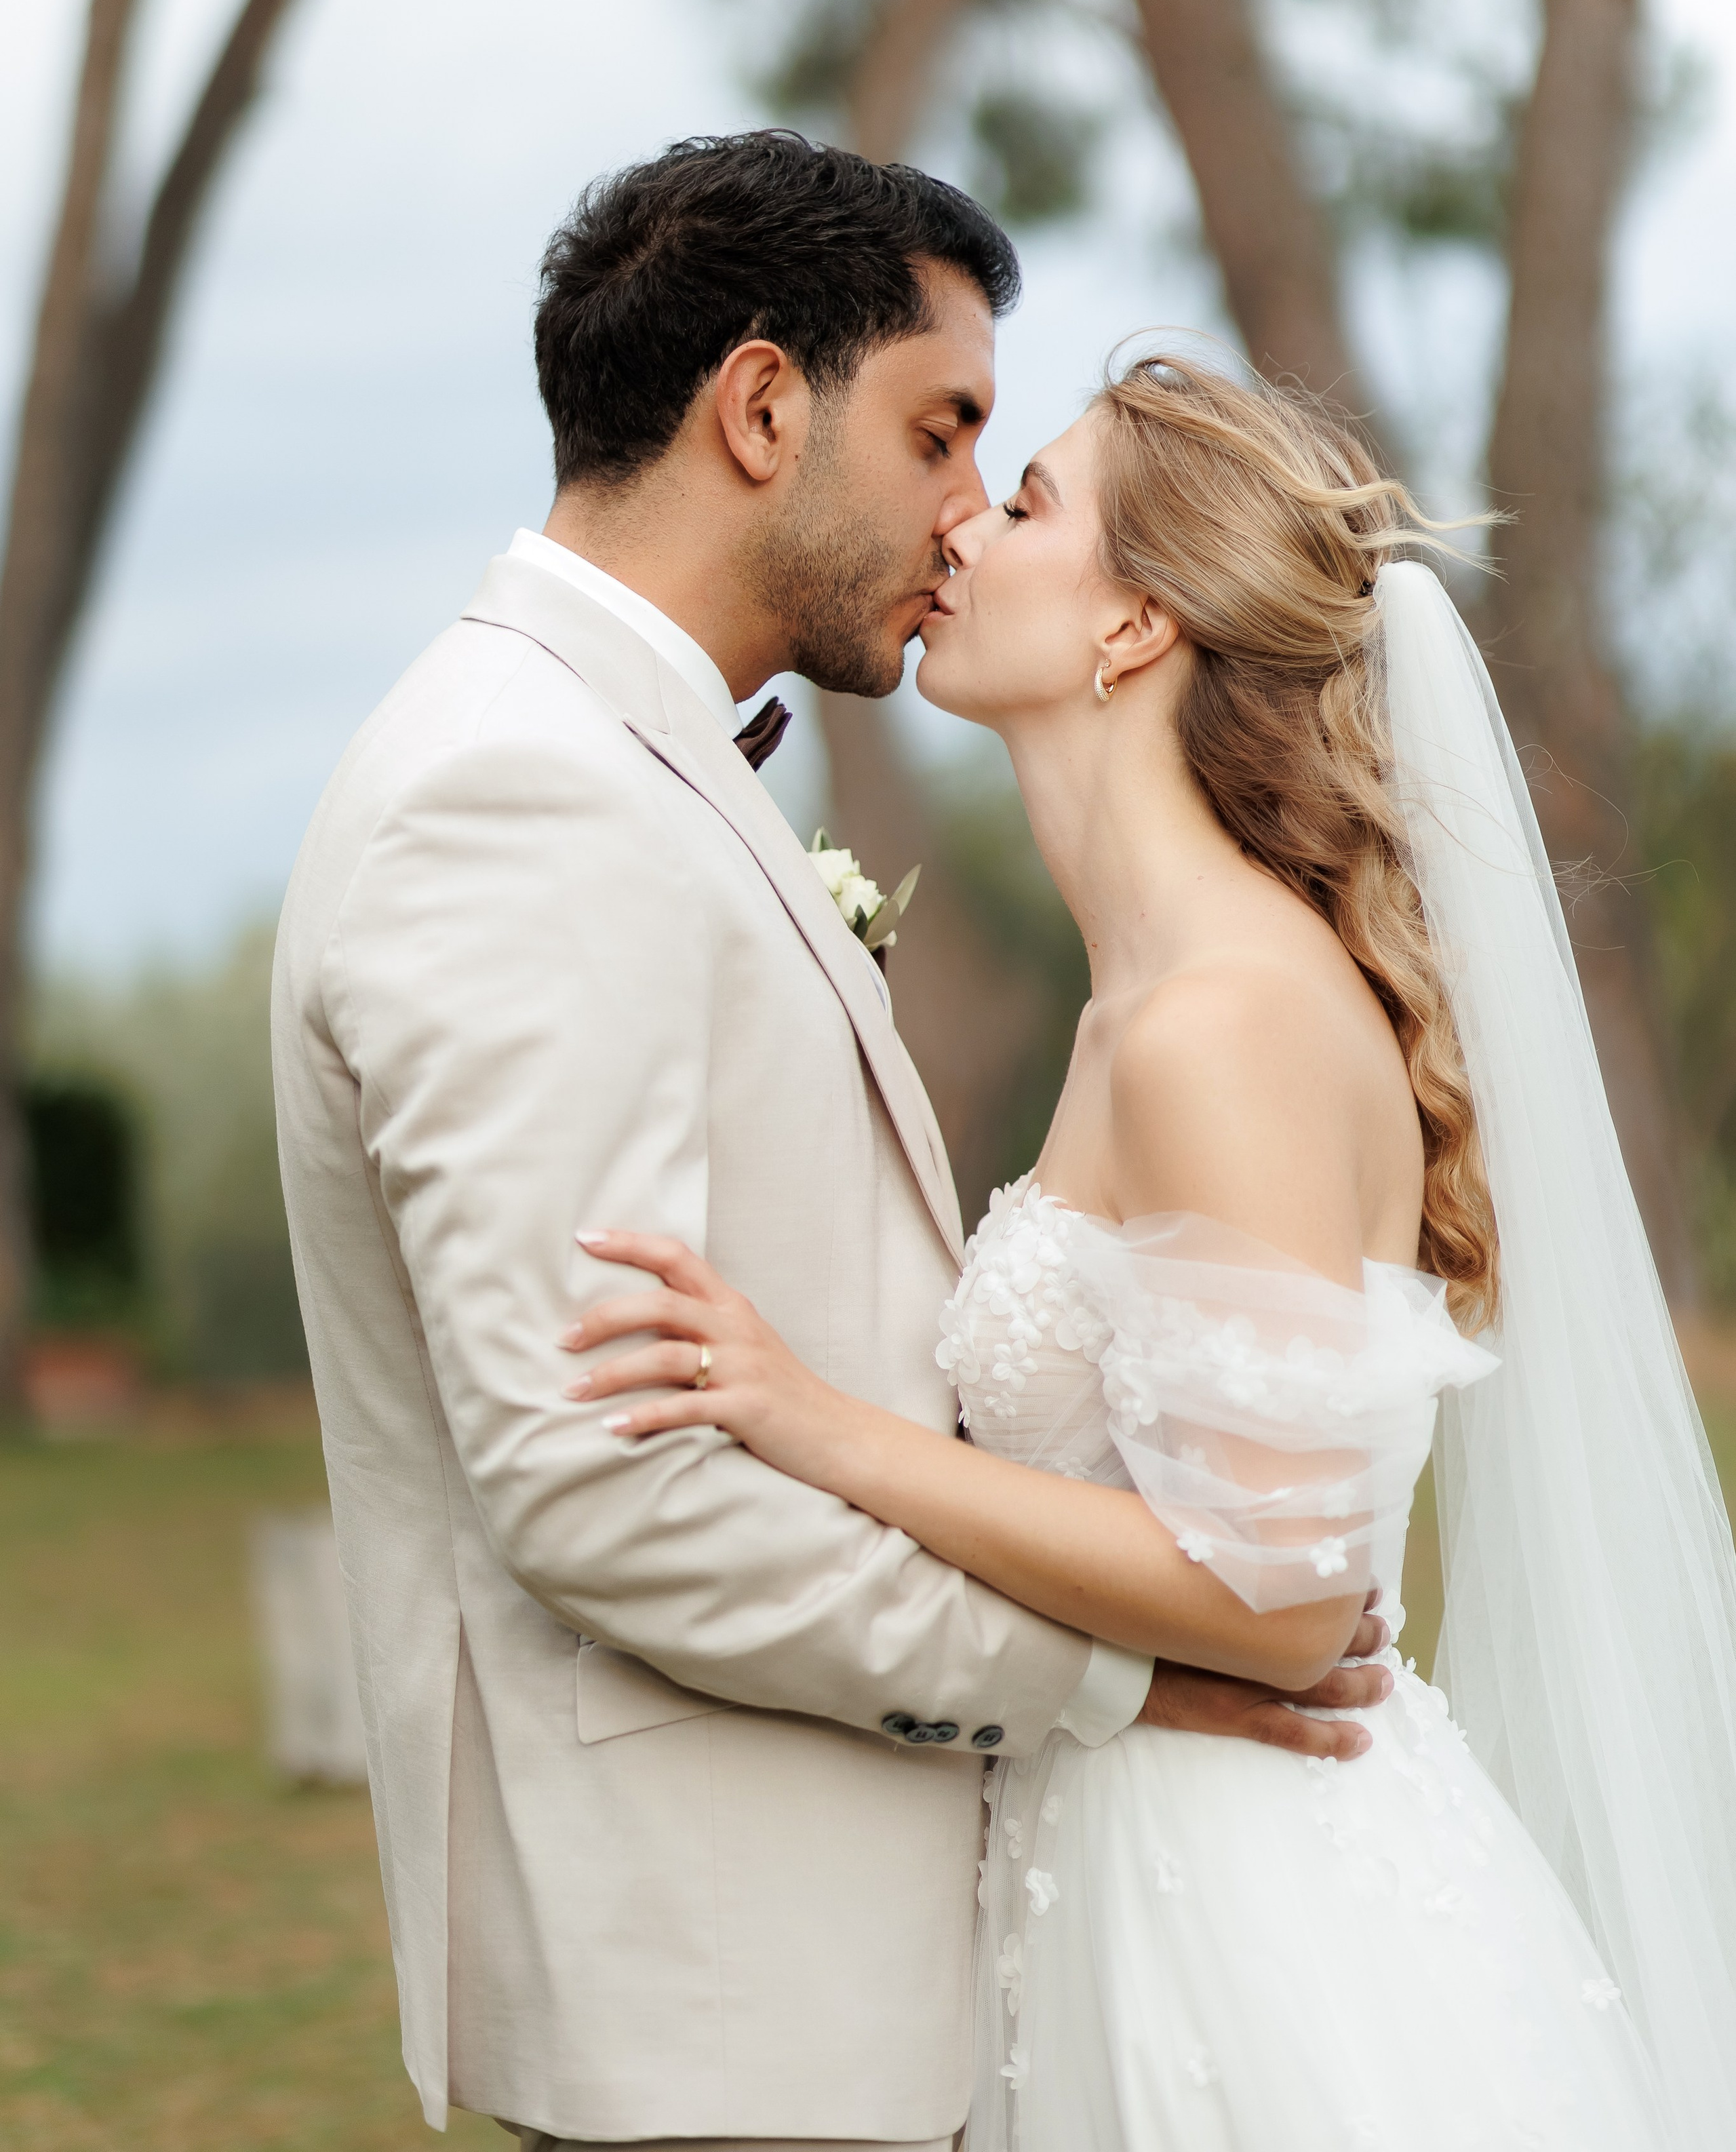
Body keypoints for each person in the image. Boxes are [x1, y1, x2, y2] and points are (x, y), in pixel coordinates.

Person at [271, 135, 1391, 2152]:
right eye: (943, 430)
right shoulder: (516, 799)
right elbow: (608, 1494)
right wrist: (1118, 1682)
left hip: (879, 1976)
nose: (969, 508)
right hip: (730, 2000)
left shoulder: (626, 772)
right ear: (764, 407)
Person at [564, 355, 1736, 2151]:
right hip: (1115, 1868)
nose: (963, 524)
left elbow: (1284, 1602)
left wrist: (819, 1426)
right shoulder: (1144, 1006)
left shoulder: (1219, 1024)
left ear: (1134, 626)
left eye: (1029, 500)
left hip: (1258, 1935)